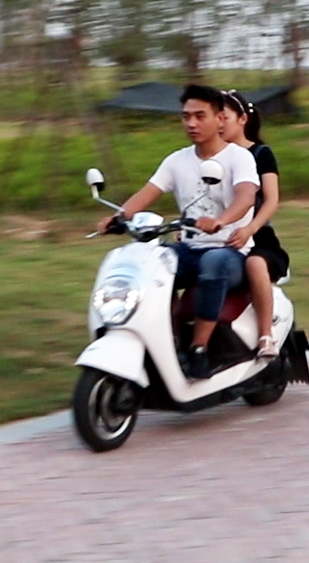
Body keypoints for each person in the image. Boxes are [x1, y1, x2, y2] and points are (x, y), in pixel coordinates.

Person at [96, 84, 259, 377]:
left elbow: (246, 197)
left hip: (231, 251)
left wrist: (221, 220)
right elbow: (149, 192)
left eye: (200, 116)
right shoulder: (177, 160)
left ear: (220, 118)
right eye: (186, 117)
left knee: (213, 264)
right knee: (152, 263)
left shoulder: (239, 157)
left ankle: (199, 349)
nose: (191, 123)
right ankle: (168, 342)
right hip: (190, 248)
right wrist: (119, 217)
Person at [219, 90, 289, 359]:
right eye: (215, 117)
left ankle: (266, 336)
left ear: (242, 119)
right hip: (217, 237)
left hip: (258, 239)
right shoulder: (211, 156)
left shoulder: (261, 154)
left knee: (255, 263)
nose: (219, 123)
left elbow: (271, 201)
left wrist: (250, 229)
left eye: (224, 116)